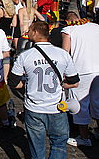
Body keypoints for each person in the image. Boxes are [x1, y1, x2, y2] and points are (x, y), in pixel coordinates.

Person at [8, 20, 80, 159]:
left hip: (34, 108)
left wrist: (27, 84)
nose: (27, 32)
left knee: (37, 148)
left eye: (29, 30)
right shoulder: (62, 54)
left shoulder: (25, 56)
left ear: (35, 33)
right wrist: (62, 85)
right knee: (59, 145)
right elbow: (74, 81)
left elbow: (12, 82)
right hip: (56, 108)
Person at [61, 12, 99, 147]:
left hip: (81, 70)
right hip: (97, 70)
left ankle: (84, 137)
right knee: (97, 102)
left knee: (80, 105)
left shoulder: (68, 30)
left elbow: (65, 53)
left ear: (67, 21)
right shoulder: (96, 26)